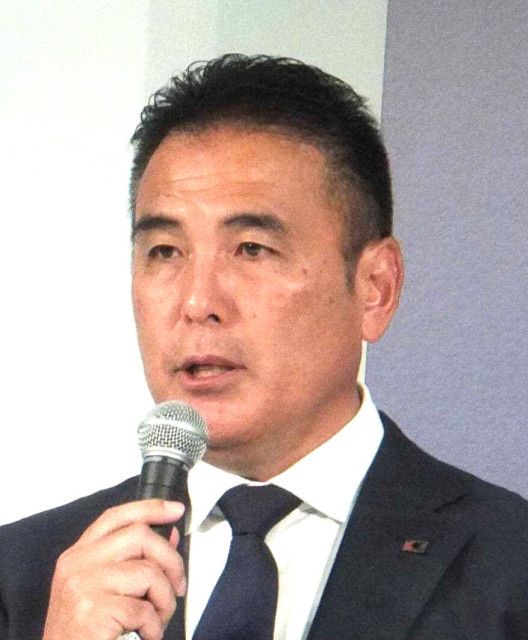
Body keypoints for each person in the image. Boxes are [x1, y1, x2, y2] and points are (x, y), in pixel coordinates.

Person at [0, 53, 527, 640]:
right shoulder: (26, 579)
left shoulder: (509, 567)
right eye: (165, 252)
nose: (197, 301)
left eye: (252, 249)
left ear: (375, 288)